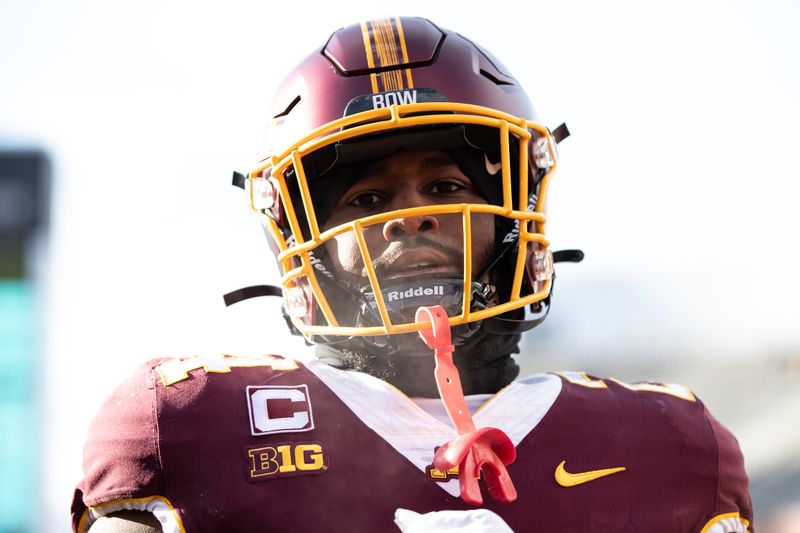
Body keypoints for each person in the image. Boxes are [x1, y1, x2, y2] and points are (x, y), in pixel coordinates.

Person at [71, 17, 753, 532]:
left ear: (510, 219)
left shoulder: (668, 443)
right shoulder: (191, 424)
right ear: (304, 242)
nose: (410, 219)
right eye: (368, 200)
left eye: (447, 187)